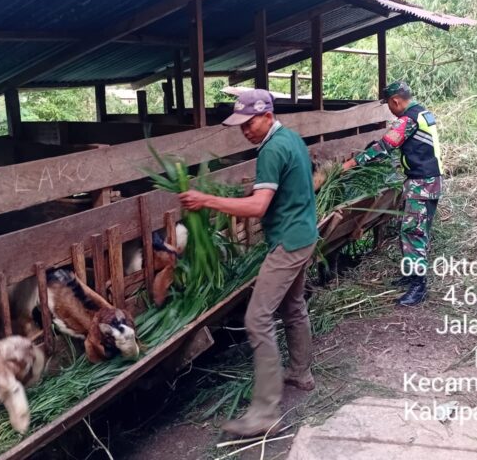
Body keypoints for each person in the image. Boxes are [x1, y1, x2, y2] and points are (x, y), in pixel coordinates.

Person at [178, 89, 318, 437]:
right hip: (305, 235)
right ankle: (301, 372)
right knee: (294, 305)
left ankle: (266, 411)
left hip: (288, 243)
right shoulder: (291, 138)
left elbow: (258, 208)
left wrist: (206, 200)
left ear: (267, 116)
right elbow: (283, 191)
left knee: (257, 319)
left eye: (249, 123)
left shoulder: (271, 149)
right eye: (240, 125)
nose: (245, 130)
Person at [342, 81, 443, 306]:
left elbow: (385, 147)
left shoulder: (408, 120)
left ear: (395, 100)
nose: (389, 109)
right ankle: (410, 275)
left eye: (388, 104)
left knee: (413, 232)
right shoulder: (423, 112)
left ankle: (418, 287)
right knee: (412, 229)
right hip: (429, 181)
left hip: (422, 184)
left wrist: (351, 164)